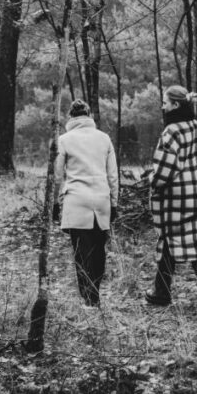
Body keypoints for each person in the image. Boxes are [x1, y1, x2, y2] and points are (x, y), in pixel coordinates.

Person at [146, 84, 197, 308]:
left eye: (165, 102)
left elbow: (163, 171)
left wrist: (153, 181)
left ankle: (161, 293)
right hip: (196, 196)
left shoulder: (171, 132)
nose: (163, 106)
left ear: (176, 105)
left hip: (175, 200)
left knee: (168, 242)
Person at [52, 99, 119, 307]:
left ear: (70, 117)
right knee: (99, 250)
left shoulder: (64, 140)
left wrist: (55, 203)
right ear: (89, 115)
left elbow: (56, 176)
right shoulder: (104, 138)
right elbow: (113, 176)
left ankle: (87, 298)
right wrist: (114, 203)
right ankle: (95, 295)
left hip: (76, 201)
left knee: (81, 252)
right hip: (101, 200)